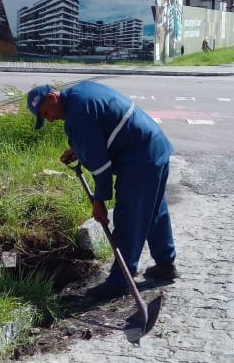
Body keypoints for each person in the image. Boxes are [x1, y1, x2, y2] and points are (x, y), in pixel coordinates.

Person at [27, 80, 178, 299]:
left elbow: (102, 167)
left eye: (46, 113)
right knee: (154, 209)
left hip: (139, 159)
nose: (49, 120)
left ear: (52, 98)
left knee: (128, 219)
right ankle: (166, 264)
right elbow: (104, 128)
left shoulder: (77, 116)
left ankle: (119, 282)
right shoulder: (80, 93)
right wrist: (79, 149)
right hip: (154, 146)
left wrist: (99, 202)